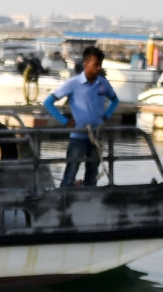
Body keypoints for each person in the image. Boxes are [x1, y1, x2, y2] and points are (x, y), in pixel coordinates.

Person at [42, 46, 119, 187]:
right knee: (71, 171)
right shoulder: (73, 83)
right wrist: (64, 121)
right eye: (95, 65)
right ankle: (64, 196)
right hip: (78, 136)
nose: (98, 68)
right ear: (86, 64)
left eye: (100, 65)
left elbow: (115, 100)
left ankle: (90, 196)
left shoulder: (103, 83)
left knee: (92, 172)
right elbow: (48, 102)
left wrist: (106, 116)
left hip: (96, 136)